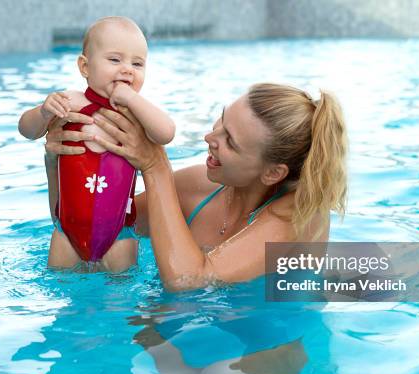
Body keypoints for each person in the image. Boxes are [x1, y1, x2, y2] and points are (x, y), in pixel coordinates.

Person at [44, 82, 347, 290]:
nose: (209, 137)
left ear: (272, 173)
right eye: (222, 121)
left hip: (262, 347)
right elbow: (92, 227)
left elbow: (188, 282)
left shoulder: (301, 218)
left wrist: (155, 165)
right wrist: (59, 162)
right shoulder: (199, 187)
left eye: (230, 141)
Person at [19, 16, 175, 270]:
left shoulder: (136, 116)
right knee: (63, 287)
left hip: (118, 236)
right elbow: (26, 130)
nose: (127, 70)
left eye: (138, 64)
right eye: (115, 60)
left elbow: (166, 132)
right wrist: (44, 113)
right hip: (66, 234)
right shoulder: (70, 102)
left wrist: (132, 100)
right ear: (85, 67)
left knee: (119, 299)